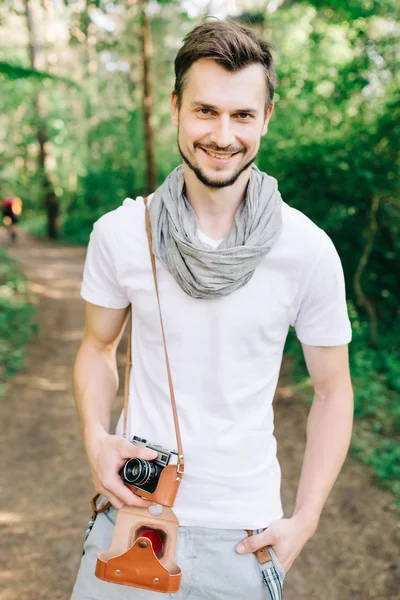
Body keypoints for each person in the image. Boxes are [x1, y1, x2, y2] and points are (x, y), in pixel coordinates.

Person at [71, 20, 353, 600]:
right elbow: (97, 349)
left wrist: (306, 519)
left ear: (266, 117)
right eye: (205, 111)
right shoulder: (124, 233)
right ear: (175, 108)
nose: (222, 134)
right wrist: (96, 440)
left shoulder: (306, 249)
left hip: (243, 540)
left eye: (242, 115)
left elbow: (333, 391)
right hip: (134, 516)